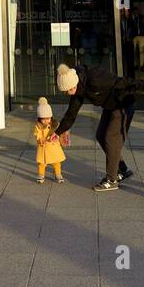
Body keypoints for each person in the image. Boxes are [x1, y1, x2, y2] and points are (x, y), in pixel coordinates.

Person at [52, 61, 136, 192]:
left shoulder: (95, 78)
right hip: (110, 106)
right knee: (101, 135)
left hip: (123, 103)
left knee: (111, 139)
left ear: (75, 82)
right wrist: (57, 132)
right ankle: (122, 169)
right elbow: (71, 114)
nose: (69, 93)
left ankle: (111, 180)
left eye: (69, 89)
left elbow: (121, 82)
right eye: (66, 91)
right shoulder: (77, 89)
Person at [32, 97, 66, 184]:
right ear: (40, 119)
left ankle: (58, 174)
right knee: (42, 164)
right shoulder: (38, 126)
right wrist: (40, 139)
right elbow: (37, 134)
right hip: (43, 147)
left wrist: (60, 136)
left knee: (57, 162)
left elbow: (60, 131)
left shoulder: (54, 124)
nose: (46, 121)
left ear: (51, 117)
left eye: (48, 118)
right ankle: (41, 175)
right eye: (43, 119)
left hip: (54, 146)